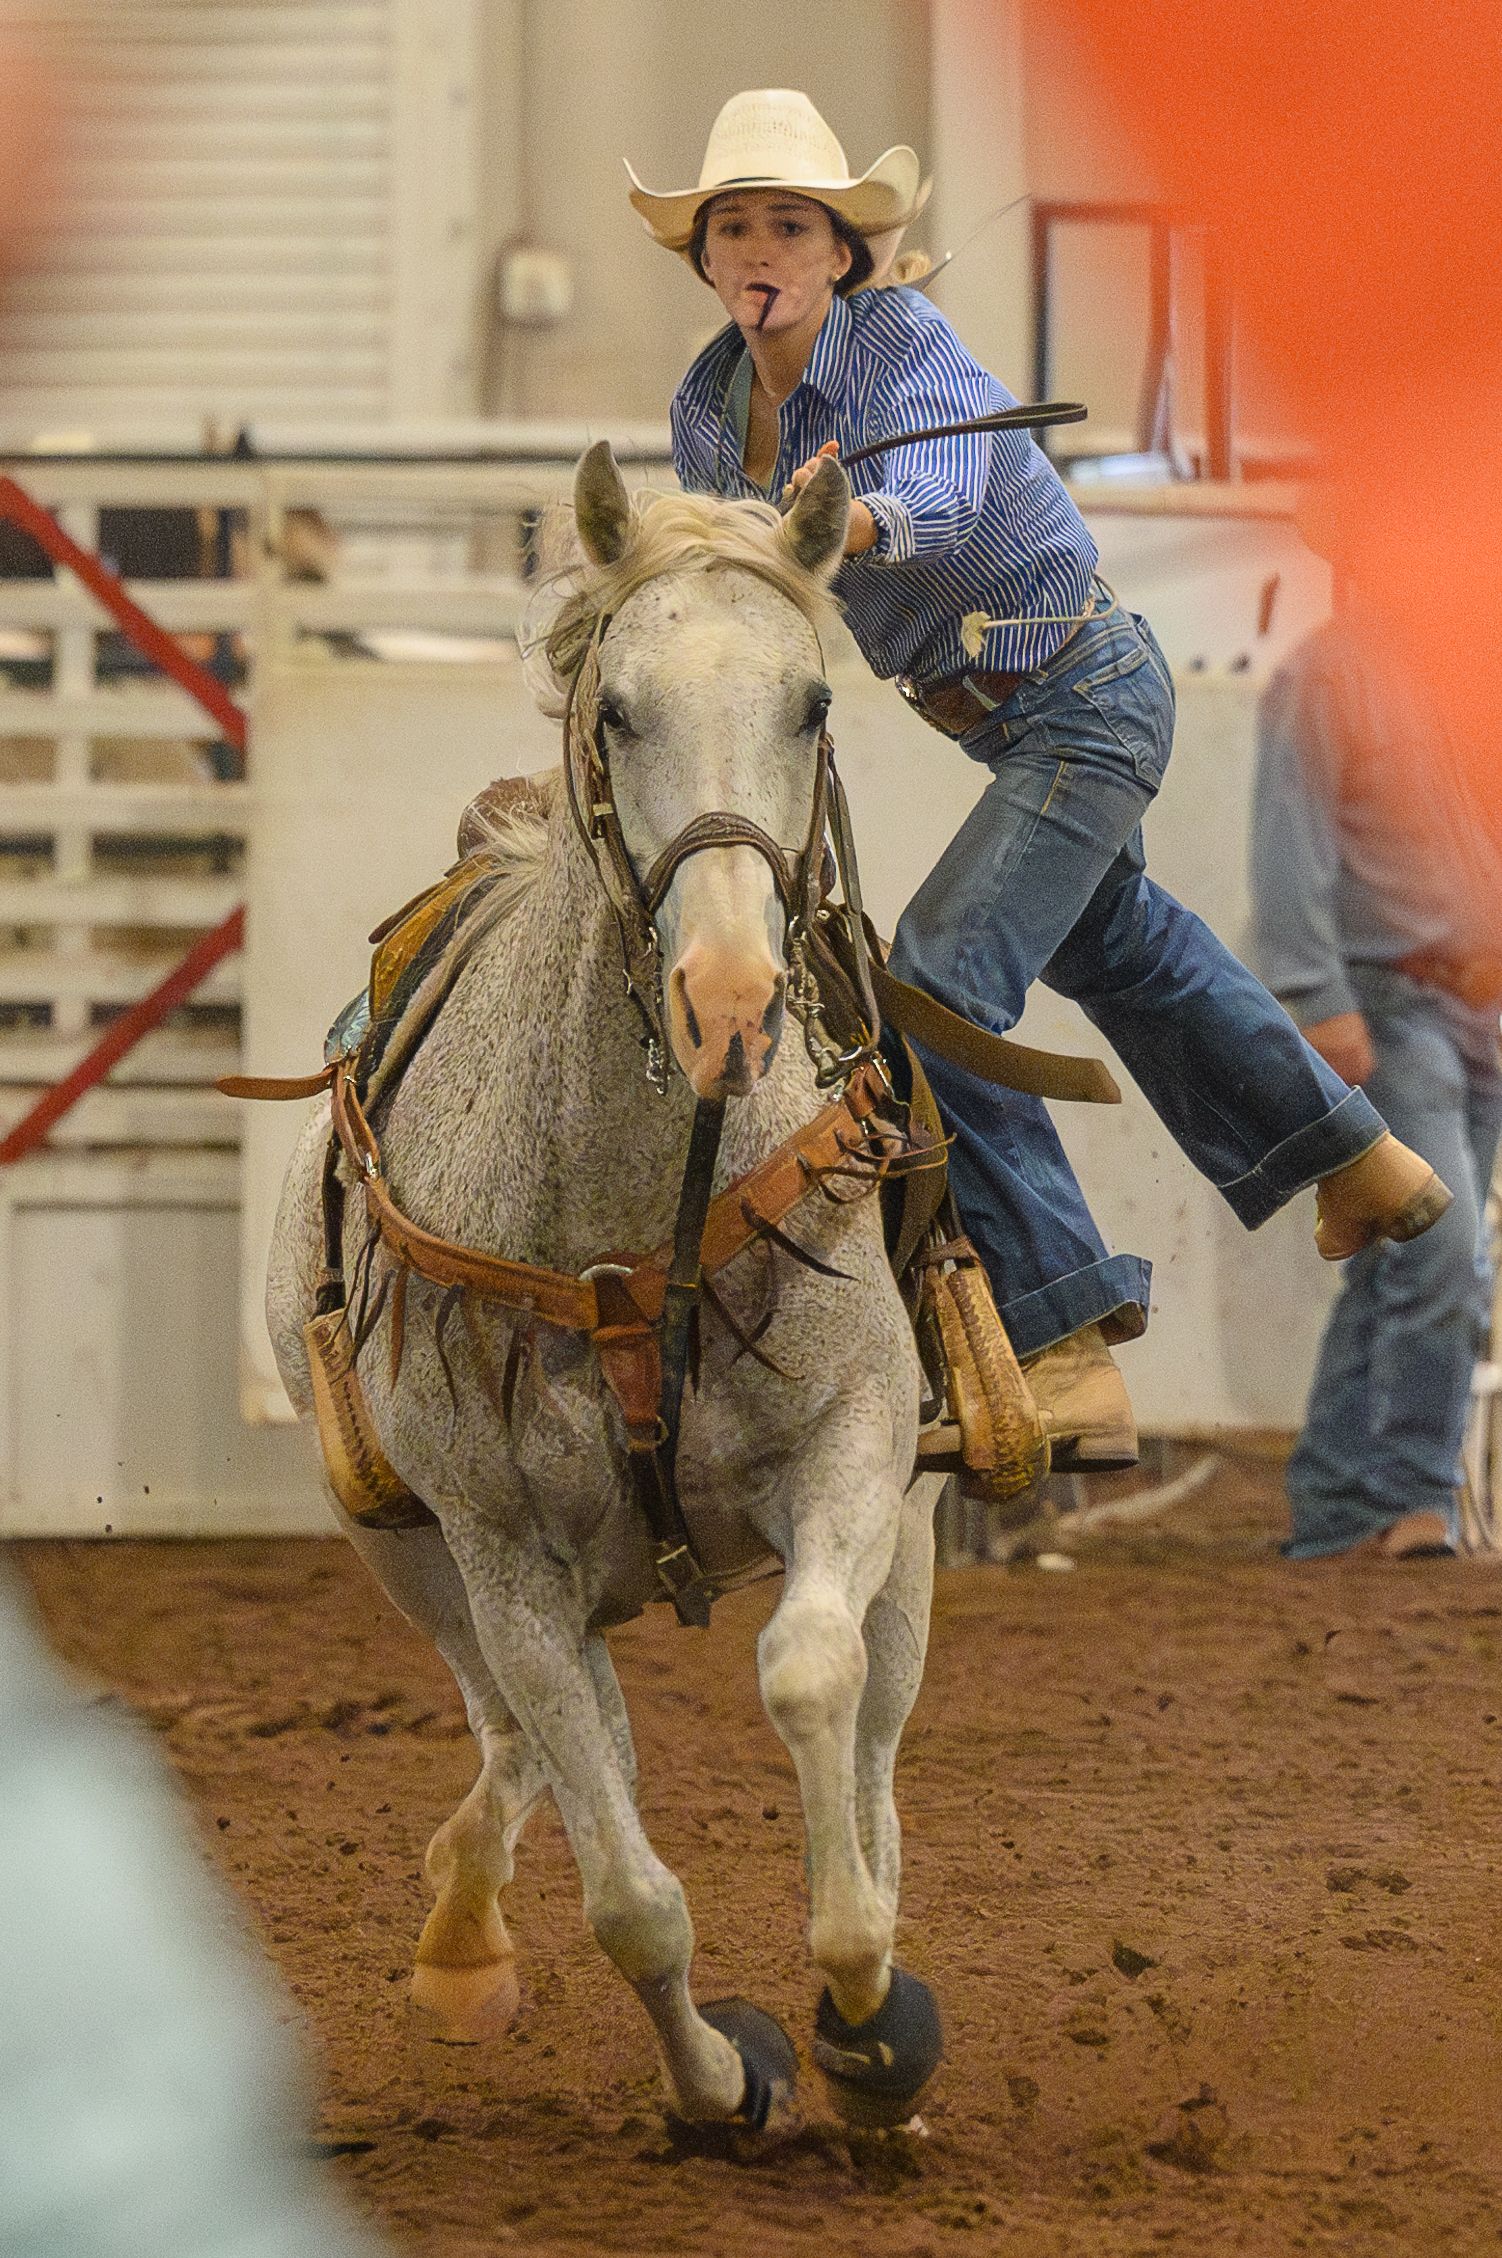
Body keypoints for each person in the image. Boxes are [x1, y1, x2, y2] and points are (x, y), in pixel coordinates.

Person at [626, 86, 1450, 1474]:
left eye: (789, 225)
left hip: (1085, 696)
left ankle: (1060, 1340)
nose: (759, 249)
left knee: (939, 984)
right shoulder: (704, 406)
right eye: (734, 228)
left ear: (841, 251)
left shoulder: (905, 342)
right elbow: (740, 596)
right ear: (703, 259)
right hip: (1015, 722)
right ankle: (1359, 1163)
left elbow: (943, 494)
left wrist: (847, 518)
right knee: (1126, 948)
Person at [1252, 561, 1502, 1559]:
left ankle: (1335, 1504)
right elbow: (1287, 845)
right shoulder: (1325, 672)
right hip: (1392, 1004)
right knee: (1441, 1246)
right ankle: (1416, 1498)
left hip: (1476, 1006)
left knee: (1402, 1257)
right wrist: (1315, 996)